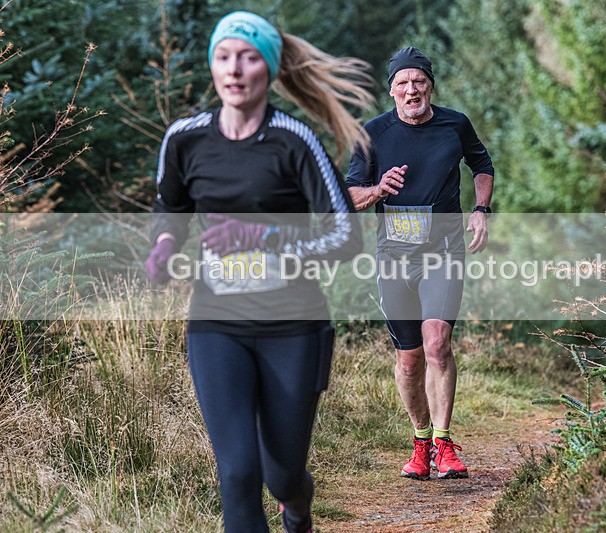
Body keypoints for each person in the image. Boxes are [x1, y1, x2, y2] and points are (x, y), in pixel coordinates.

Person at [144, 11, 373, 532]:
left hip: (293, 327)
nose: (234, 69)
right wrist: (163, 244)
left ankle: (297, 508)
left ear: (268, 69)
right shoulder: (185, 138)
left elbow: (345, 236)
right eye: (223, 56)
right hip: (216, 324)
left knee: (282, 475)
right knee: (237, 472)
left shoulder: (295, 141)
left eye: (248, 58)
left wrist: (262, 236)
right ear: (212, 65)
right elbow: (171, 206)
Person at [346, 46, 495, 480]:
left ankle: (444, 445)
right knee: (410, 359)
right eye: (403, 83)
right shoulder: (372, 134)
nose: (412, 89)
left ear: (431, 86)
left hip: (444, 252)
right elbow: (349, 196)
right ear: (391, 90)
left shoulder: (455, 124)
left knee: (437, 344)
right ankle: (421, 441)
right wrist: (378, 190)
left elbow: (481, 163)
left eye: (419, 81)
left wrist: (480, 209)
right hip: (394, 258)